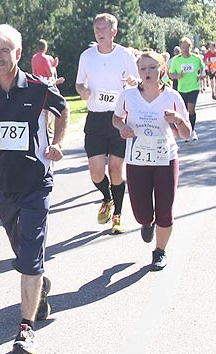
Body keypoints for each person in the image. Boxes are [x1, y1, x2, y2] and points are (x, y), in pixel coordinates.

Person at [0, 24, 69, 354]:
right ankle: (38, 283)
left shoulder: (38, 88)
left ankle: (26, 329)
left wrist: (58, 143)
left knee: (30, 256)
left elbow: (63, 110)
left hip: (36, 182)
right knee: (24, 256)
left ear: (18, 53)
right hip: (2, 188)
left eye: (4, 51)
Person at [112, 50, 191, 270]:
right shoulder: (128, 95)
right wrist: (123, 127)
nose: (148, 72)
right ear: (138, 71)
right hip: (137, 160)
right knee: (141, 212)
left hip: (165, 159)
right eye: (143, 68)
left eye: (153, 68)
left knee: (165, 210)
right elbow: (116, 118)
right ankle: (147, 222)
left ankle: (160, 251)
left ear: (162, 70)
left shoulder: (172, 97)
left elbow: (186, 133)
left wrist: (177, 120)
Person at [75, 13, 139, 234]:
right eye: (96, 29)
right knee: (96, 172)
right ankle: (107, 197)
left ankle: (118, 216)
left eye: (104, 29)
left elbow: (138, 80)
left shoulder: (125, 55)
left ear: (114, 32)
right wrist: (83, 91)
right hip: (95, 118)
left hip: (119, 118)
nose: (99, 33)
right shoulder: (87, 56)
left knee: (115, 170)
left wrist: (133, 81)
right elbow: (79, 84)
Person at [169, 36, 205, 141]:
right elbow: (171, 74)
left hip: (194, 87)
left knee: (191, 108)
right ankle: (185, 132)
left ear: (191, 47)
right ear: (180, 47)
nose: (185, 49)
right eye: (183, 47)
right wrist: (177, 76)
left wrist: (201, 75)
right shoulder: (176, 60)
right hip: (182, 88)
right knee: (184, 112)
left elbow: (203, 68)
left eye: (187, 47)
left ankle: (192, 131)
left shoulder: (196, 58)